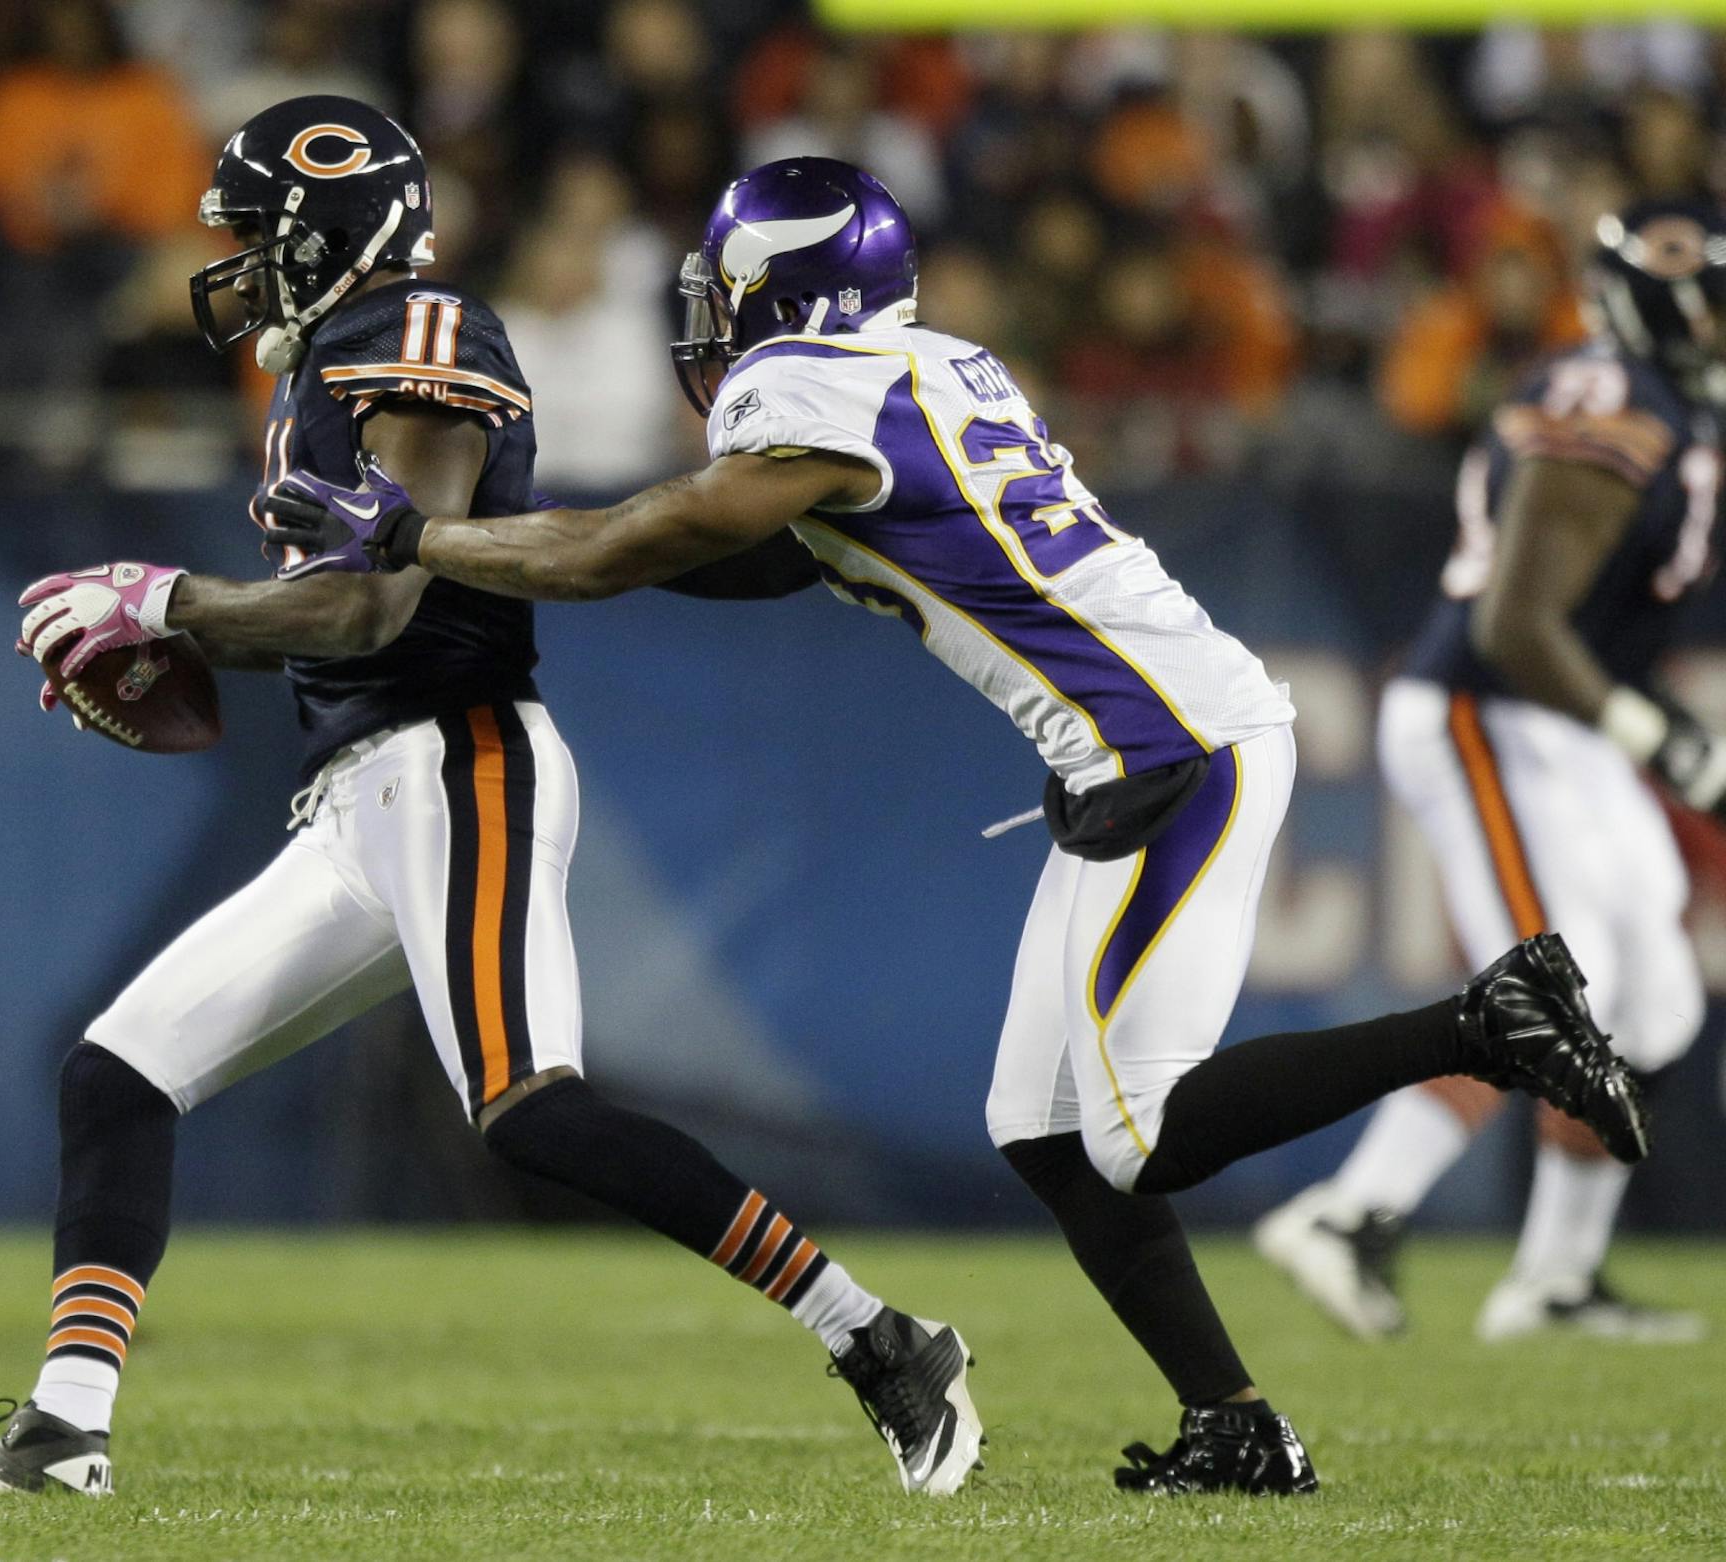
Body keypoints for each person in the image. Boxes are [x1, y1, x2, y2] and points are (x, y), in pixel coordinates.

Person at [261, 157, 1652, 1493]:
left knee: (1138, 1135)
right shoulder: (922, 368)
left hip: (1172, 745)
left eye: (730, 282)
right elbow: (748, 559)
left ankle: (1486, 1022)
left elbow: (644, 541)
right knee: (1040, 1127)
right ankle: (1232, 1421)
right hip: (1144, 741)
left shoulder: (801, 388)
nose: (711, 311)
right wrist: (513, 546)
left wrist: (421, 537)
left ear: (783, 288)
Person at [0, 100, 978, 1501]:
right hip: (360, 798)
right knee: (118, 1073)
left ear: (334, 233)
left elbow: (370, 600)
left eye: (266, 238)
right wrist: (190, 622)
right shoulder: (328, 359)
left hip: (459, 762)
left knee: (529, 1105)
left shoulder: (421, 337)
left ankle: (879, 1336)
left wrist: (173, 604)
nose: (245, 268)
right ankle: (63, 1431)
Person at [1256, 201, 1723, 1345]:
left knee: (1655, 997)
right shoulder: (1613, 403)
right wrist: (1650, 729)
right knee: (1562, 986)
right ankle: (1350, 1212)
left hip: (1557, 721)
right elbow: (1518, 620)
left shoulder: (1649, 398)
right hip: (1490, 707)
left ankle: (1555, 1278)